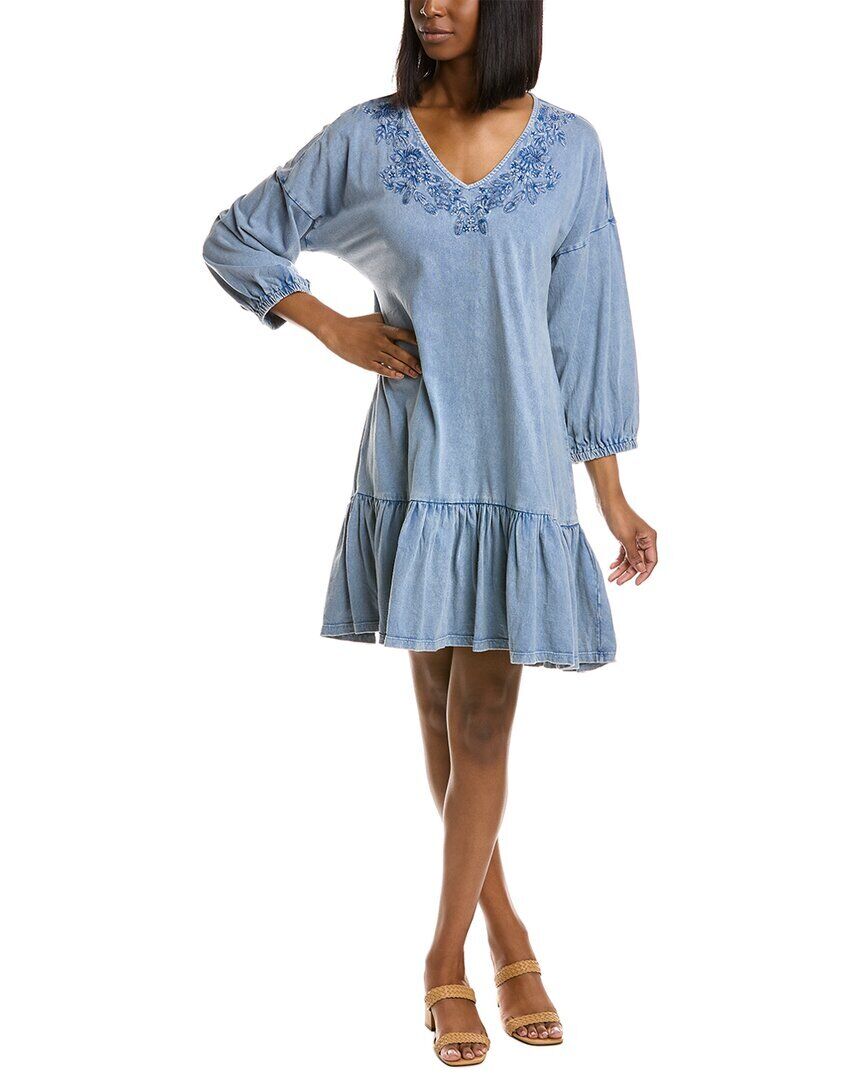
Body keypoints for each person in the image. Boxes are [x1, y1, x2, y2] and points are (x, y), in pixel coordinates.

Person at [202, 0, 657, 1066]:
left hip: (522, 463)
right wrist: (330, 326)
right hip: (416, 459)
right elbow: (237, 237)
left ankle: (447, 954)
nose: (431, 5)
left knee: (483, 720)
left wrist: (613, 495)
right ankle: (508, 933)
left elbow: (589, 325)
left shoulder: (571, 148)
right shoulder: (368, 137)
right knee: (442, 716)